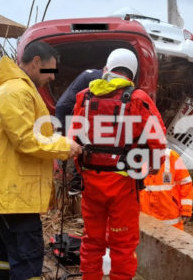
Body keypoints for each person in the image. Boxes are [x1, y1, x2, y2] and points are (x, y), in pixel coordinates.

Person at [0, 41, 82, 280]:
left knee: (7, 254)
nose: (53, 78)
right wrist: (63, 146)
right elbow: (26, 139)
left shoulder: (17, 89)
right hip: (15, 195)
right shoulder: (16, 91)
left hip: (10, 192)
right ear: (36, 63)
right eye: (50, 71)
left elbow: (29, 133)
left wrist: (56, 140)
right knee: (28, 258)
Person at [70, 48, 166, 280]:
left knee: (92, 240)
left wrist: (83, 170)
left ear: (108, 68)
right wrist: (151, 167)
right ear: (131, 72)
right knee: (122, 244)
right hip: (123, 185)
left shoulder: (85, 96)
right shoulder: (137, 98)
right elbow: (158, 142)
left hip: (91, 183)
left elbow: (75, 140)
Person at [55, 69, 103, 195]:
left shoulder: (90, 74)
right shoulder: (99, 77)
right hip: (69, 111)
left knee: (75, 144)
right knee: (80, 145)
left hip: (65, 108)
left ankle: (73, 183)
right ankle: (75, 184)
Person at [139, 148, 193, 230]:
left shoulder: (172, 156)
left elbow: (185, 183)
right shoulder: (134, 157)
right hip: (143, 217)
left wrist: (186, 210)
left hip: (169, 220)